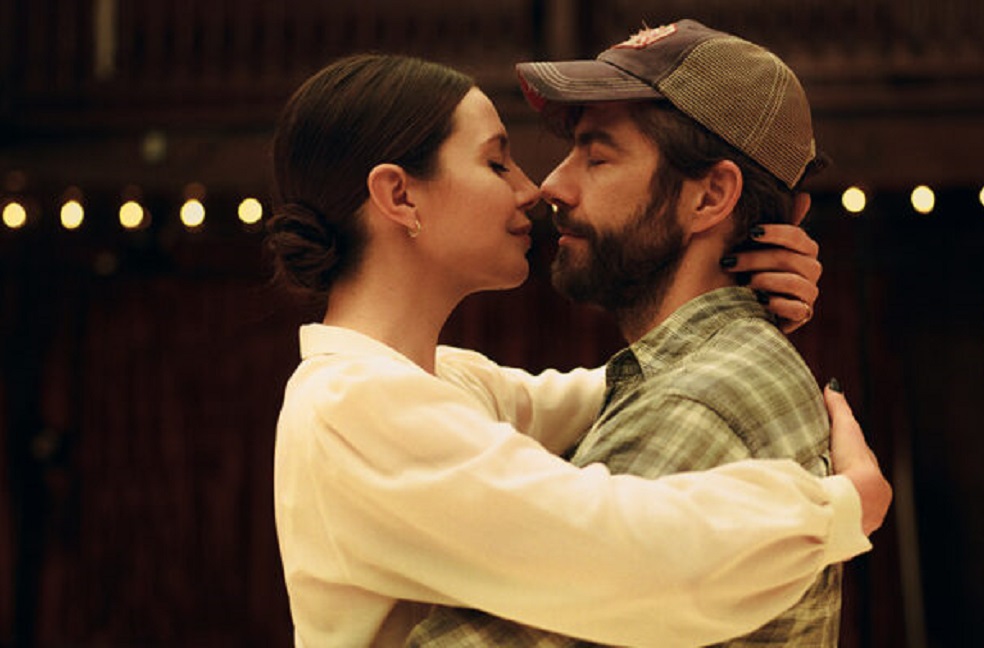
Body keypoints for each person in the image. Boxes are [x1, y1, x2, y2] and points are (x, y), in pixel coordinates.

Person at [268, 52, 891, 647]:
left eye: (595, 157)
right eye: (496, 164)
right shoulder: (354, 404)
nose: (536, 188)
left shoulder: (438, 380)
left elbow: (632, 385)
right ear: (401, 197)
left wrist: (742, 313)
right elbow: (624, 552)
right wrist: (840, 509)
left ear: (710, 197)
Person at [407, 19, 853, 647]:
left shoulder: (693, 403)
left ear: (711, 197)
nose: (552, 185)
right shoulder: (697, 376)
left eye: (598, 156)